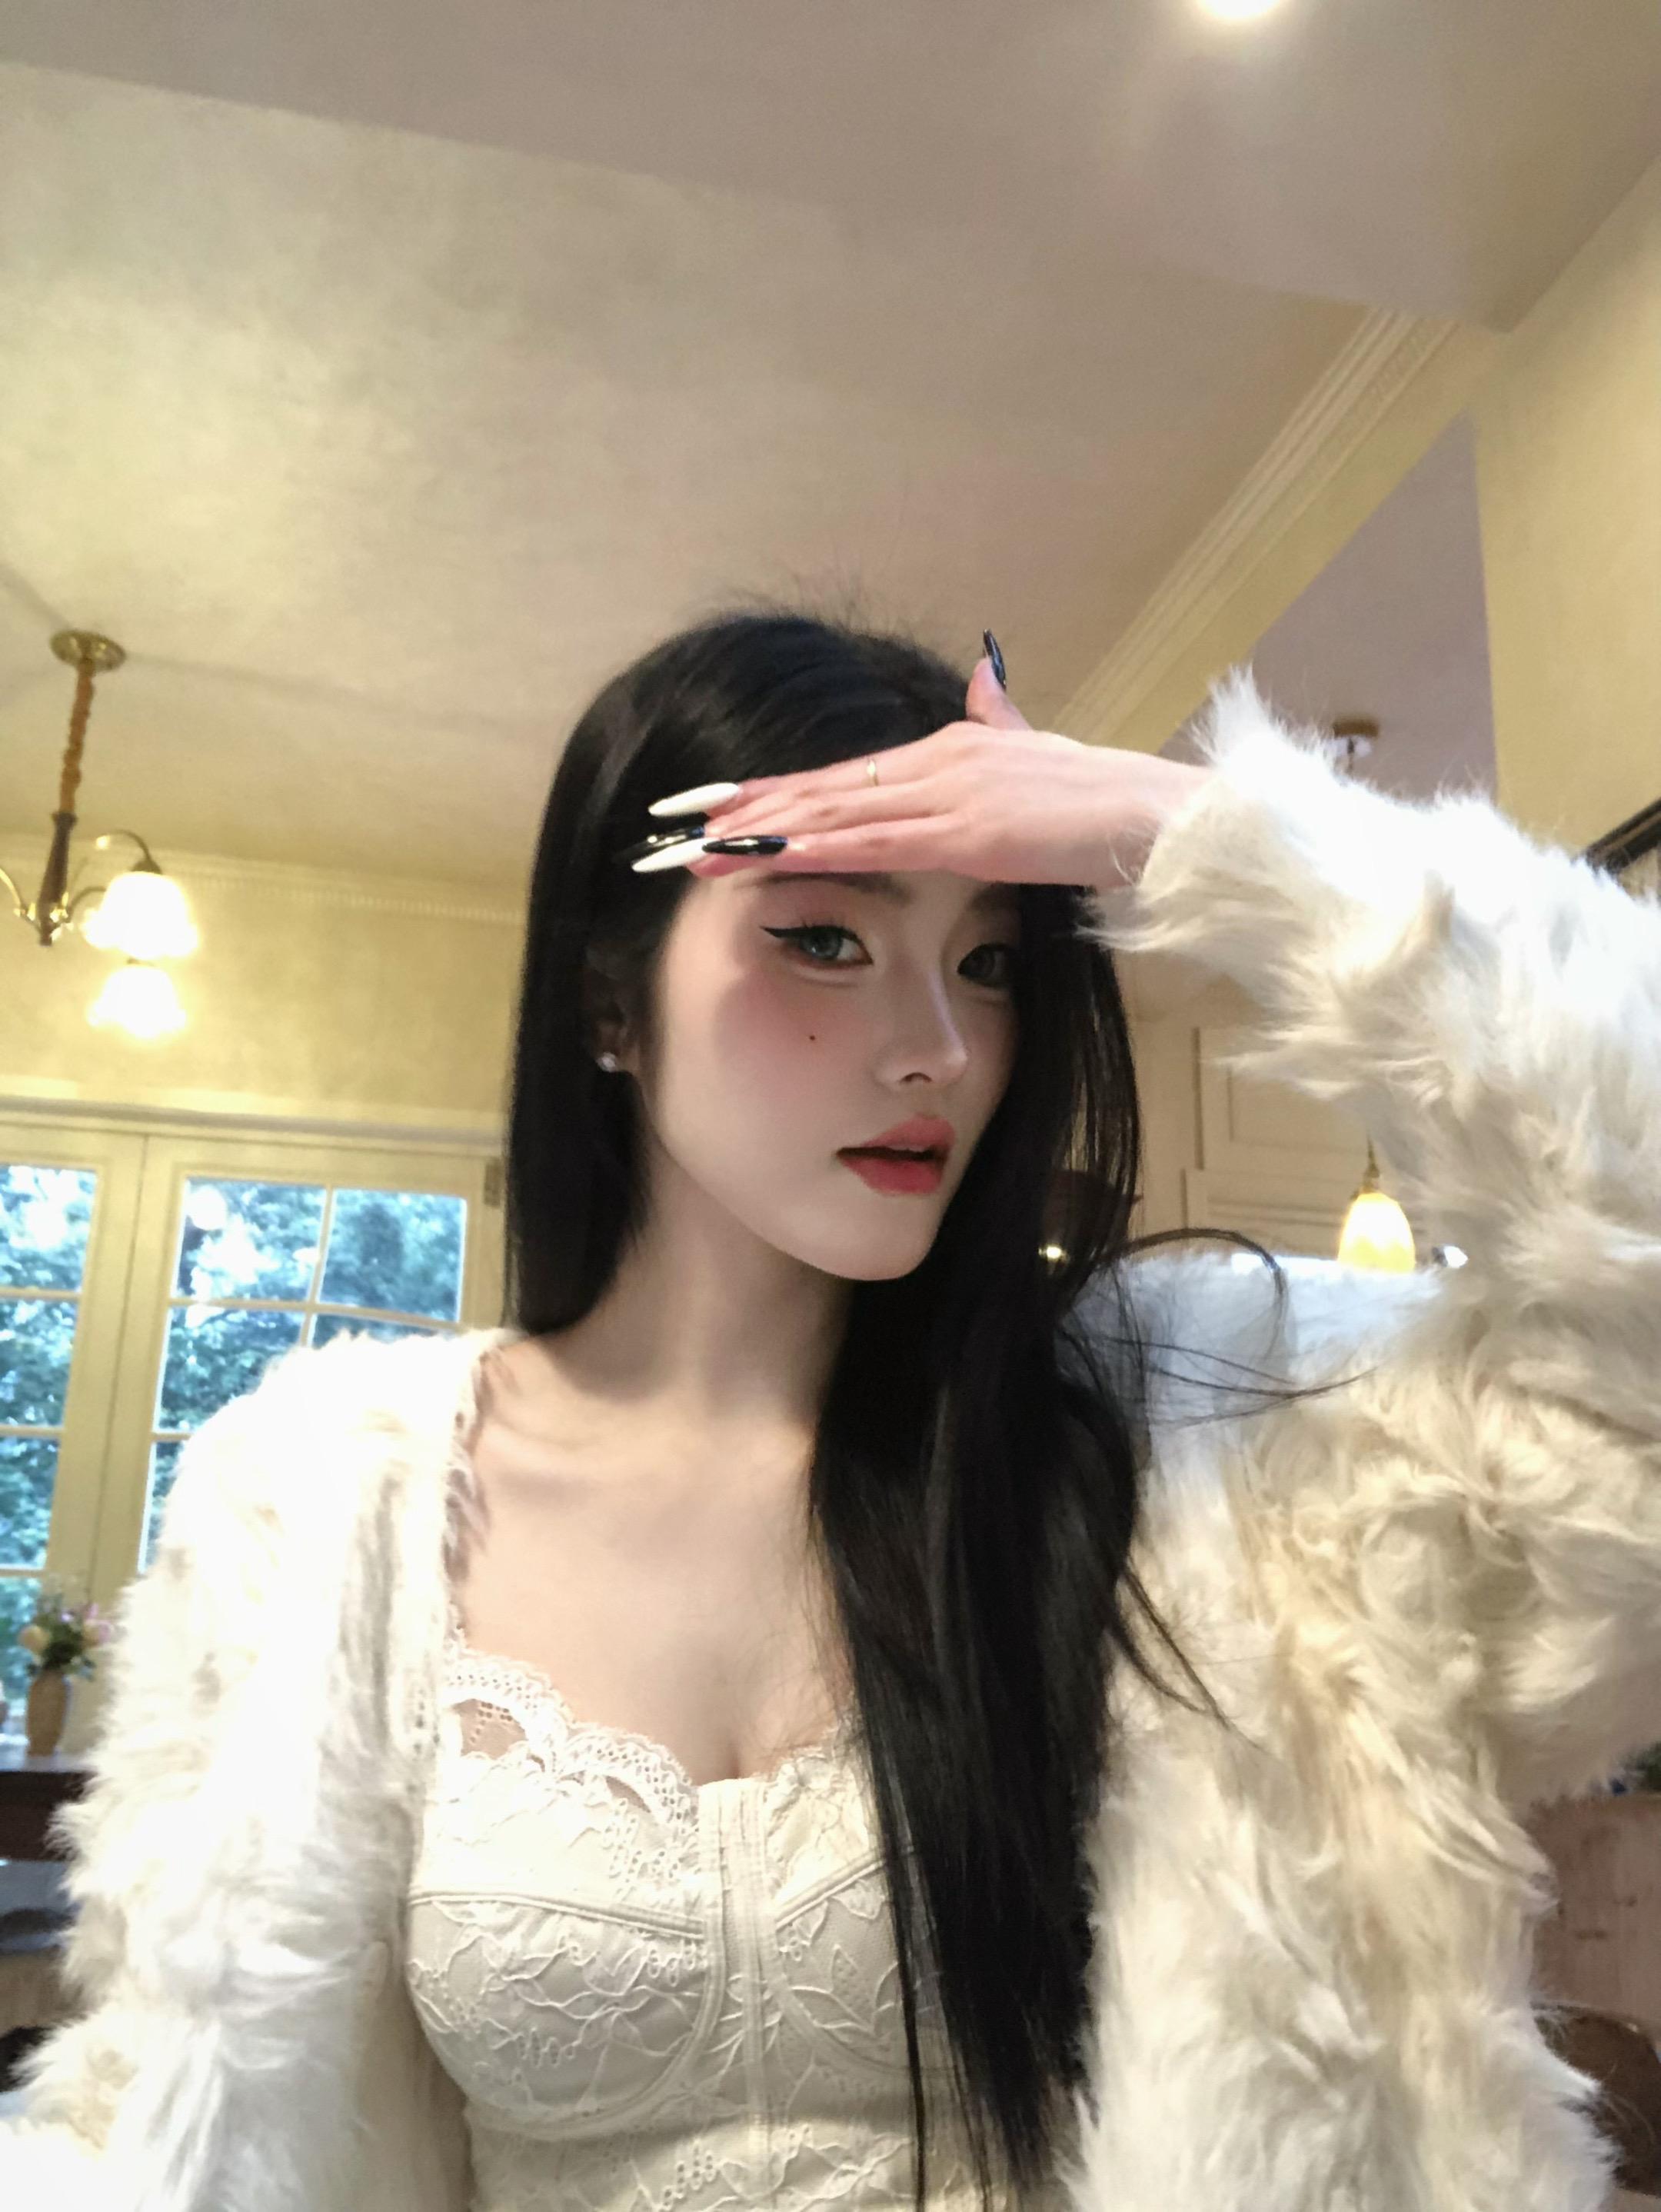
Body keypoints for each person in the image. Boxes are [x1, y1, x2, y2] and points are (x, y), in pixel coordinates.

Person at [5, 607, 1659, 2212]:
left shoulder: (1195, 1434)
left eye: (989, 961)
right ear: (606, 1004)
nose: (939, 1047)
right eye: (825, 940)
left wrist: (1208, 834)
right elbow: (159, 2112)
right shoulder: (315, 1499)